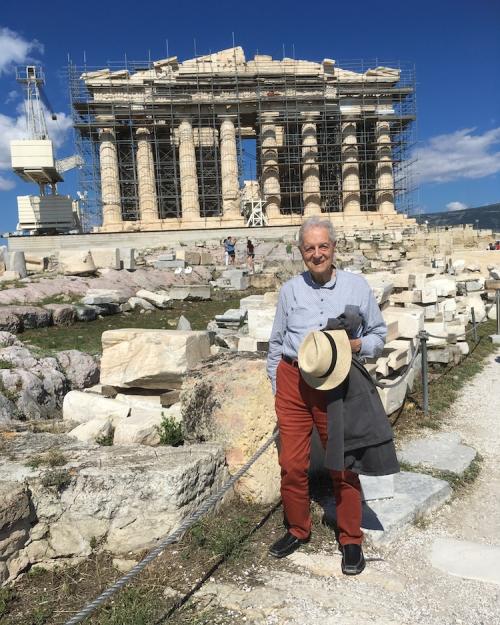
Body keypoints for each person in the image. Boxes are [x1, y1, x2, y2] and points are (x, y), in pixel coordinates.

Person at [266, 215, 398, 575]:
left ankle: (351, 538)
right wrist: (279, 387)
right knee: (292, 464)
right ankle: (297, 528)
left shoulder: (356, 287)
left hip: (335, 381)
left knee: (343, 463)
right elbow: (276, 344)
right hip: (293, 380)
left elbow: (378, 334)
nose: (317, 253)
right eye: (309, 248)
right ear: (301, 252)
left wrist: (356, 344)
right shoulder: (290, 290)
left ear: (334, 247)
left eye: (323, 245)